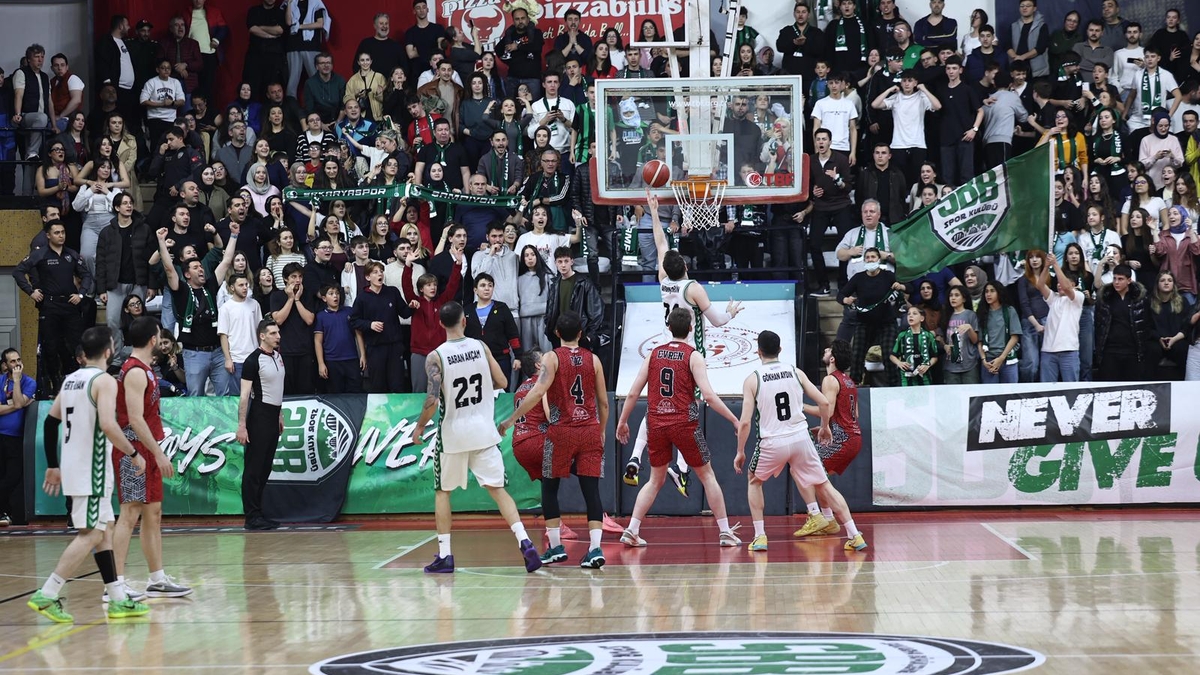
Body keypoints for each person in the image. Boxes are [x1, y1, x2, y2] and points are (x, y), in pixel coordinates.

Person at [27, 327, 150, 623]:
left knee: (104, 531)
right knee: (92, 533)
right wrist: (134, 454)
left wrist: (54, 465)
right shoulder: (104, 380)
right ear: (109, 351)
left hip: (76, 466)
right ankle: (48, 592)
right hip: (91, 469)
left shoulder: (71, 379)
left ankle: (118, 598)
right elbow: (108, 424)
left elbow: (50, 423)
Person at [623, 193, 743, 491]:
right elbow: (715, 320)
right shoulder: (693, 287)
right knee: (688, 409)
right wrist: (730, 313)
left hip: (663, 349)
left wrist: (653, 211)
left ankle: (636, 457)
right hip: (689, 353)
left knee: (656, 406)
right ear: (686, 267)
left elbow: (662, 244)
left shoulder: (663, 280)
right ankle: (680, 466)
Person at [414, 302, 542, 574]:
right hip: (484, 431)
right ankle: (525, 542)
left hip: (453, 435)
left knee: (442, 492)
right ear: (464, 321)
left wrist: (419, 428)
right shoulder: (481, 347)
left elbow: (431, 401)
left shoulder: (435, 357)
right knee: (498, 491)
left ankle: (446, 555)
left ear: (441, 324)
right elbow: (503, 382)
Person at [615, 307, 743, 548]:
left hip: (656, 424)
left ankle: (632, 529)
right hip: (684, 424)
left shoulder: (653, 354)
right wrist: (734, 419)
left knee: (654, 480)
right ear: (692, 328)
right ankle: (725, 532)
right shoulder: (693, 355)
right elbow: (709, 396)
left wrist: (622, 421)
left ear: (669, 327)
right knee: (707, 476)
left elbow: (633, 392)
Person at [735, 330, 867, 553]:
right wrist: (825, 427)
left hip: (772, 441)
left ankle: (760, 536)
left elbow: (745, 422)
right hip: (800, 438)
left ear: (758, 352)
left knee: (754, 481)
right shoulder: (795, 372)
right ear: (780, 350)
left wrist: (740, 451)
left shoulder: (752, 378)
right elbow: (825, 404)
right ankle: (854, 534)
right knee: (823, 483)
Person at [500, 312, 609, 568]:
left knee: (550, 488)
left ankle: (556, 547)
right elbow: (603, 402)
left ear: (557, 334)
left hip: (561, 431)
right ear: (581, 334)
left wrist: (511, 419)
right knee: (591, 491)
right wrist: (601, 430)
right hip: (589, 428)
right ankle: (595, 549)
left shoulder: (551, 357)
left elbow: (538, 392)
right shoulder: (593, 359)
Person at [110, 317, 190, 603]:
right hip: (133, 451)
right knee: (129, 513)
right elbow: (133, 418)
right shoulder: (133, 371)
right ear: (153, 339)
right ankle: (114, 585)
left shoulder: (145, 369)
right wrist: (157, 452)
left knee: (153, 514)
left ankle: (157, 579)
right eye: (159, 333)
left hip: (147, 448)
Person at [792, 339, 863, 538]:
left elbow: (827, 410)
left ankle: (818, 516)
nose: (824, 349)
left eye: (828, 349)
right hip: (853, 437)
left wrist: (799, 406)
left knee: (800, 467)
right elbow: (853, 414)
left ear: (832, 358)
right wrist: (827, 427)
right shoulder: (848, 380)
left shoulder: (830, 380)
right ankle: (828, 519)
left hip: (843, 439)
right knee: (818, 476)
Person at [13, 220, 92, 398]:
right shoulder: (39, 254)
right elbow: (18, 271)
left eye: (63, 232)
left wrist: (81, 294)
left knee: (76, 344)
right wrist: (31, 291)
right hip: (49, 305)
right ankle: (54, 384)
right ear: (48, 235)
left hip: (70, 305)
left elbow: (86, 275)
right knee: (50, 346)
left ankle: (79, 380)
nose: (61, 235)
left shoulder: (71, 254)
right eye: (56, 233)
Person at [236, 319, 285, 530]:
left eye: (278, 332)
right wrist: (242, 425)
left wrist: (280, 414)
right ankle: (251, 516)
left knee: (265, 467)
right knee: (254, 469)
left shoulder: (278, 356)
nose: (278, 336)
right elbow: (244, 395)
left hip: (273, 415)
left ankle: (259, 513)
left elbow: (277, 387)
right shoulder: (252, 361)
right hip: (259, 416)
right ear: (262, 336)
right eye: (273, 333)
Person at [1094, 263, 1154, 382]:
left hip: (1132, 351)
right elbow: (1099, 324)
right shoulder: (1105, 297)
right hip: (1110, 351)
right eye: (1115, 278)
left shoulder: (1140, 299)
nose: (1116, 282)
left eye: (1120, 279)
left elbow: (1146, 323)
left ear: (1129, 280)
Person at [1033, 253, 1083, 382]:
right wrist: (1046, 267)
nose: (1060, 285)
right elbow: (1040, 285)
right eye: (1058, 283)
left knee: (1071, 388)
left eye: (1063, 282)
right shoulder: (1053, 298)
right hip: (1048, 351)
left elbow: (1066, 288)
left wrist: (1055, 264)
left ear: (1074, 285)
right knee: (1047, 390)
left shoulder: (1078, 297)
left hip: (1069, 350)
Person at [0, 349, 36, 527]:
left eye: (18, 360)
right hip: (0, 436)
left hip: (16, 438)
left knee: (13, 477)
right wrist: (16, 405)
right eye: (12, 362)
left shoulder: (29, 382)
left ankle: (10, 512)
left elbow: (21, 403)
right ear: (5, 365)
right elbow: (19, 404)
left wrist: (16, 381)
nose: (17, 364)